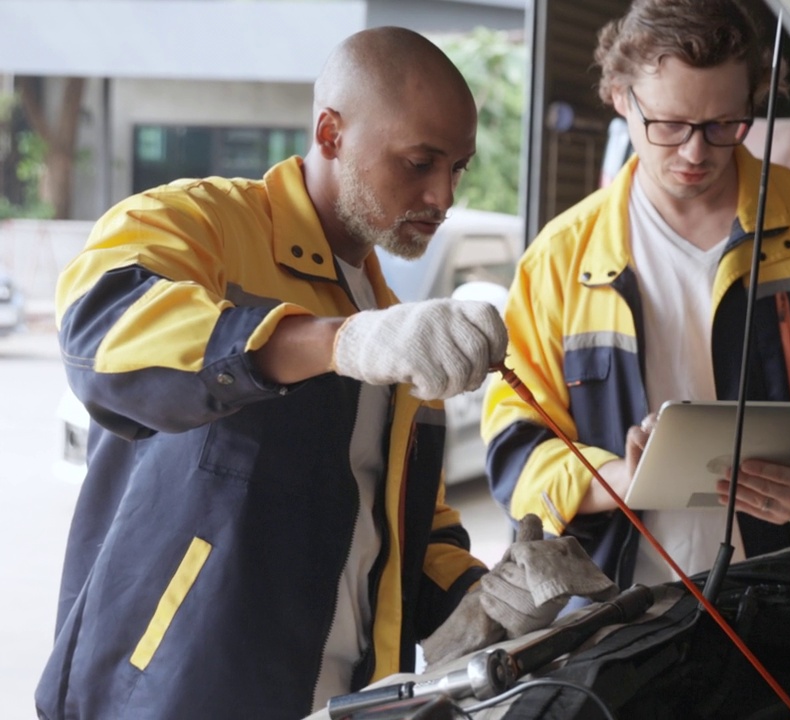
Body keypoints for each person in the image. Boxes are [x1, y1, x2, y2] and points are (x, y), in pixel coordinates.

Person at [36, 27, 613, 720]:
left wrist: (486, 597)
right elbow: (102, 331)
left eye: (457, 167)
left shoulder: (398, 324)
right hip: (168, 695)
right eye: (419, 162)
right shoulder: (200, 224)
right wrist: (337, 343)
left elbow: (401, 528)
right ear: (331, 132)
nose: (443, 194)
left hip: (348, 701)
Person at [482, 0, 790, 588]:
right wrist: (614, 478)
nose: (696, 153)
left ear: (753, 105)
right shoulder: (561, 259)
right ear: (620, 97)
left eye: (724, 125)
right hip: (620, 609)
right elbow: (516, 441)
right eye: (668, 125)